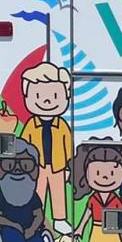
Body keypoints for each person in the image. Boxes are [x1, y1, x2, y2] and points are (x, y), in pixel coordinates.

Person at [18, 62, 73, 227]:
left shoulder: (62, 125)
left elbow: (68, 147)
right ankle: (37, 219)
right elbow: (23, 146)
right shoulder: (31, 125)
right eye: (38, 96)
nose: (47, 101)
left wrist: (69, 168)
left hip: (58, 166)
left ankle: (60, 220)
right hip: (37, 167)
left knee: (58, 193)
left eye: (55, 96)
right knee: (37, 193)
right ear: (27, 98)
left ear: (66, 97)